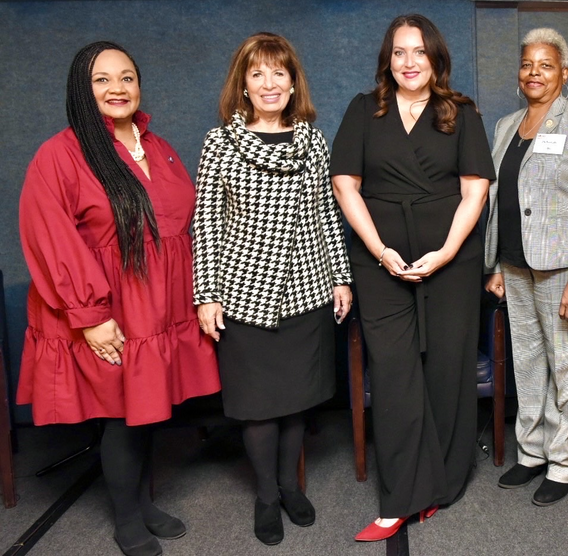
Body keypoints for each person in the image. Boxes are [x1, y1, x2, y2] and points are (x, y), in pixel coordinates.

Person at [17, 41, 221, 556]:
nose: (117, 88)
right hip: (111, 307)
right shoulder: (60, 154)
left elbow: (181, 228)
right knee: (122, 415)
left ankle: (143, 503)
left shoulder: (158, 145)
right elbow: (50, 236)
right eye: (102, 80)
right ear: (82, 92)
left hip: (161, 305)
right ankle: (127, 518)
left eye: (126, 77)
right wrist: (90, 315)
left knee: (148, 409)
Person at [331, 14, 494, 541]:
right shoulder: (364, 109)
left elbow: (475, 191)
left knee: (448, 368)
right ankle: (401, 495)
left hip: (453, 261)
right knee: (396, 372)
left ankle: (443, 485)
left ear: (436, 58)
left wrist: (446, 252)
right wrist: (379, 249)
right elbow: (345, 185)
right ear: (388, 59)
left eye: (419, 51)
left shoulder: (461, 112)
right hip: (381, 262)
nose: (409, 61)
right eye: (400, 52)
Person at [193, 33, 352, 546]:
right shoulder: (219, 142)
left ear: (292, 82)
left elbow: (328, 216)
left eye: (278, 73)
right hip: (242, 294)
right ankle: (265, 495)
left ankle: (289, 484)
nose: (268, 83)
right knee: (258, 406)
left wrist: (341, 276)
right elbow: (207, 224)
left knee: (296, 401)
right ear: (243, 84)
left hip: (306, 290)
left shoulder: (313, 140)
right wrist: (207, 294)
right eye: (257, 73)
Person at [483, 28, 568, 506]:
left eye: (545, 65)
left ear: (564, 73)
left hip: (562, 270)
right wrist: (495, 263)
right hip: (514, 267)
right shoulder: (505, 126)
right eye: (526, 65)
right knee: (528, 361)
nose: (533, 73)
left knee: (566, 362)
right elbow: (498, 203)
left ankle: (563, 461)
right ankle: (532, 452)